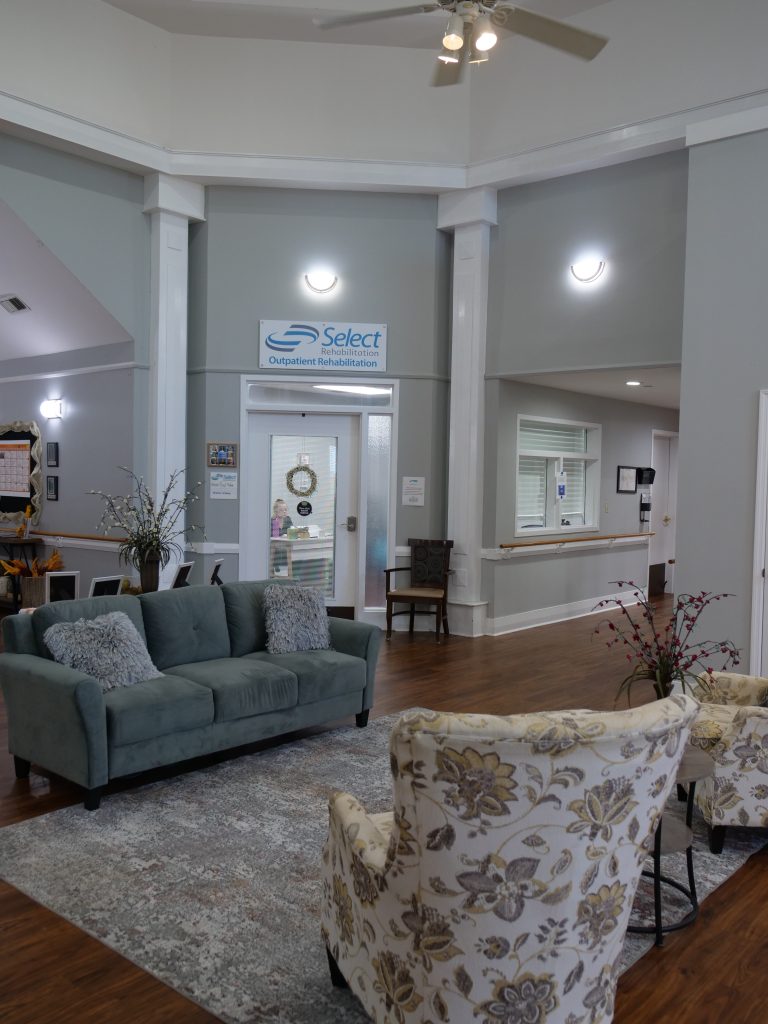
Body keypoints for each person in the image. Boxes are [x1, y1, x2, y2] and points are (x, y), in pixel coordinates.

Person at [270, 498, 293, 575]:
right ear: (276, 511)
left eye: (285, 510)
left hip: (285, 544)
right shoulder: (272, 520)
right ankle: (275, 566)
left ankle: (278, 566)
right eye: (281, 510)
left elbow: (292, 530)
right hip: (274, 544)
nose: (284, 512)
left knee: (285, 547)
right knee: (275, 546)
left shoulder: (288, 519)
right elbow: (270, 534)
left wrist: (287, 535)